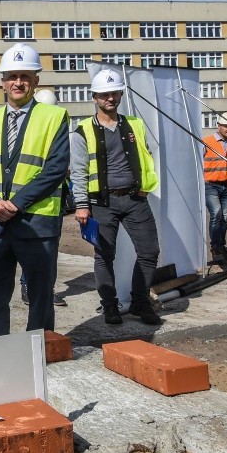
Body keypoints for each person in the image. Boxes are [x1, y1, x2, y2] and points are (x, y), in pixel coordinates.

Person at [0, 43, 70, 338]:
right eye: (11, 76)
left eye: (25, 76)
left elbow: (55, 168)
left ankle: (37, 353)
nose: (18, 82)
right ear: (2, 81)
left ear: (36, 80)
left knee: (40, 297)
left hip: (35, 223)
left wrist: (16, 204)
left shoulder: (54, 117)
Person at [71, 69, 162, 325]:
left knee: (149, 251)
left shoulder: (134, 125)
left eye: (114, 93)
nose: (110, 98)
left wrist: (144, 186)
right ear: (95, 97)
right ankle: (110, 306)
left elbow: (145, 158)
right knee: (104, 256)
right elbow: (78, 171)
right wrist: (81, 205)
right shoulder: (82, 131)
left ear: (120, 93)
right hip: (102, 203)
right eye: (104, 94)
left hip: (135, 199)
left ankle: (140, 303)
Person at [18, 88, 68, 308]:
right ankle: (28, 286)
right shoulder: (29, 133)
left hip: (52, 205)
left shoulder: (57, 131)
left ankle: (45, 289)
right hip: (29, 202)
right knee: (30, 252)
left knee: (49, 253)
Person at [203, 112, 227, 259]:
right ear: (218, 125)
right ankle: (215, 249)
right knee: (217, 214)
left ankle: (221, 247)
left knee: (225, 217)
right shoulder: (206, 141)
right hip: (210, 185)